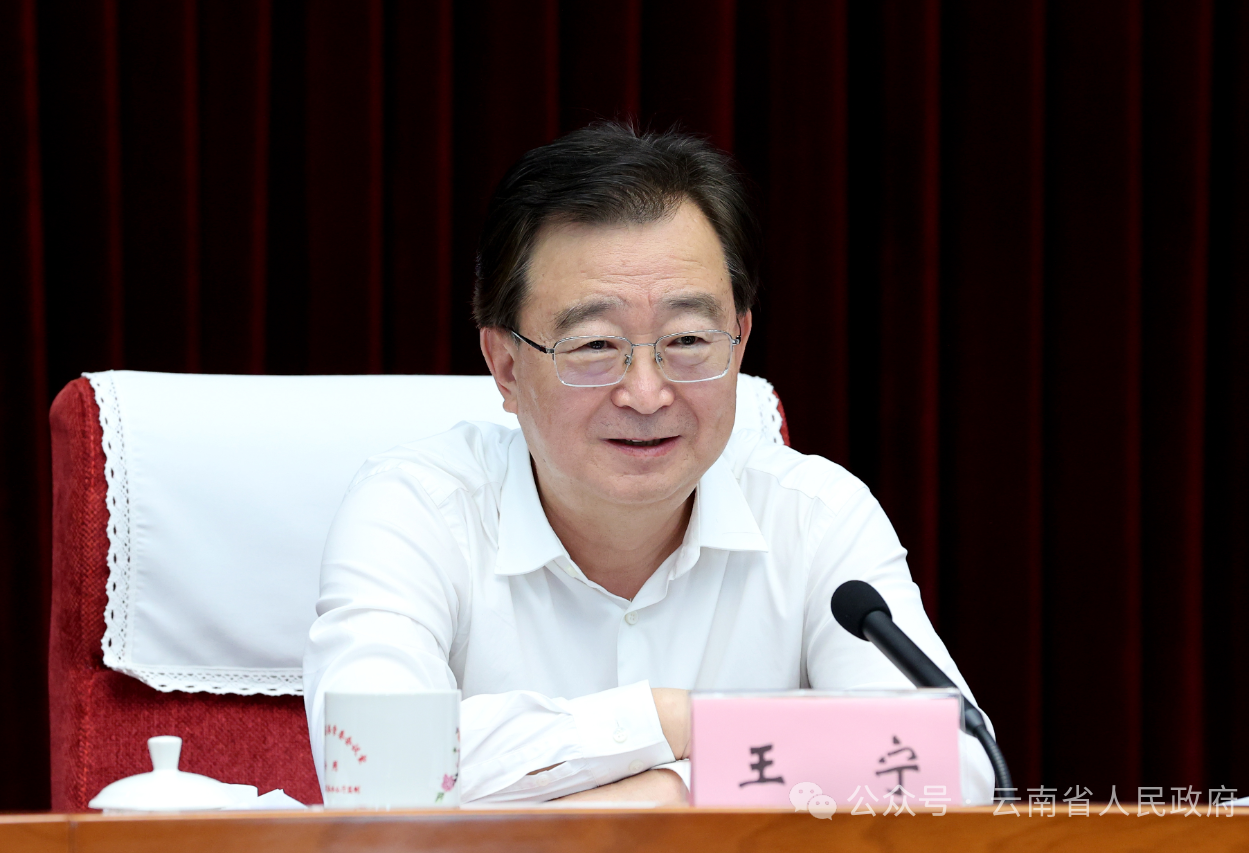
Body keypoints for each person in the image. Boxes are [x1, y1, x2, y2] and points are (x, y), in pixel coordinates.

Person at [303, 122, 996, 806]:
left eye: (688, 339)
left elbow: (958, 764)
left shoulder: (816, 518)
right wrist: (673, 721)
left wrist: (670, 795)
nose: (645, 393)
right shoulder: (416, 510)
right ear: (506, 366)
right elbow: (378, 768)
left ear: (739, 339)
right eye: (595, 346)